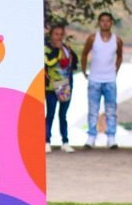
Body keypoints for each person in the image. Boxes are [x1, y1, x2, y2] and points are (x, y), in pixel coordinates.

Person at [80, 12, 123, 149]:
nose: (105, 23)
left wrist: (115, 71)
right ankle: (91, 137)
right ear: (99, 23)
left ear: (111, 23)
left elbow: (120, 56)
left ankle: (111, 137)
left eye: (107, 20)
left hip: (110, 79)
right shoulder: (93, 38)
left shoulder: (117, 40)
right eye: (102, 20)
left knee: (111, 110)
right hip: (94, 79)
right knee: (93, 109)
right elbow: (84, 54)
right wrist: (84, 71)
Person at [44, 24, 78, 153]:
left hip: (64, 85)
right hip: (51, 86)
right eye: (56, 34)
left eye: (61, 34)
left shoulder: (67, 49)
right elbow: (49, 62)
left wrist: (66, 52)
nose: (58, 37)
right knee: (50, 114)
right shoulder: (46, 49)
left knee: (63, 115)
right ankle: (46, 141)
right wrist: (57, 51)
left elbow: (73, 64)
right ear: (51, 35)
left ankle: (65, 141)